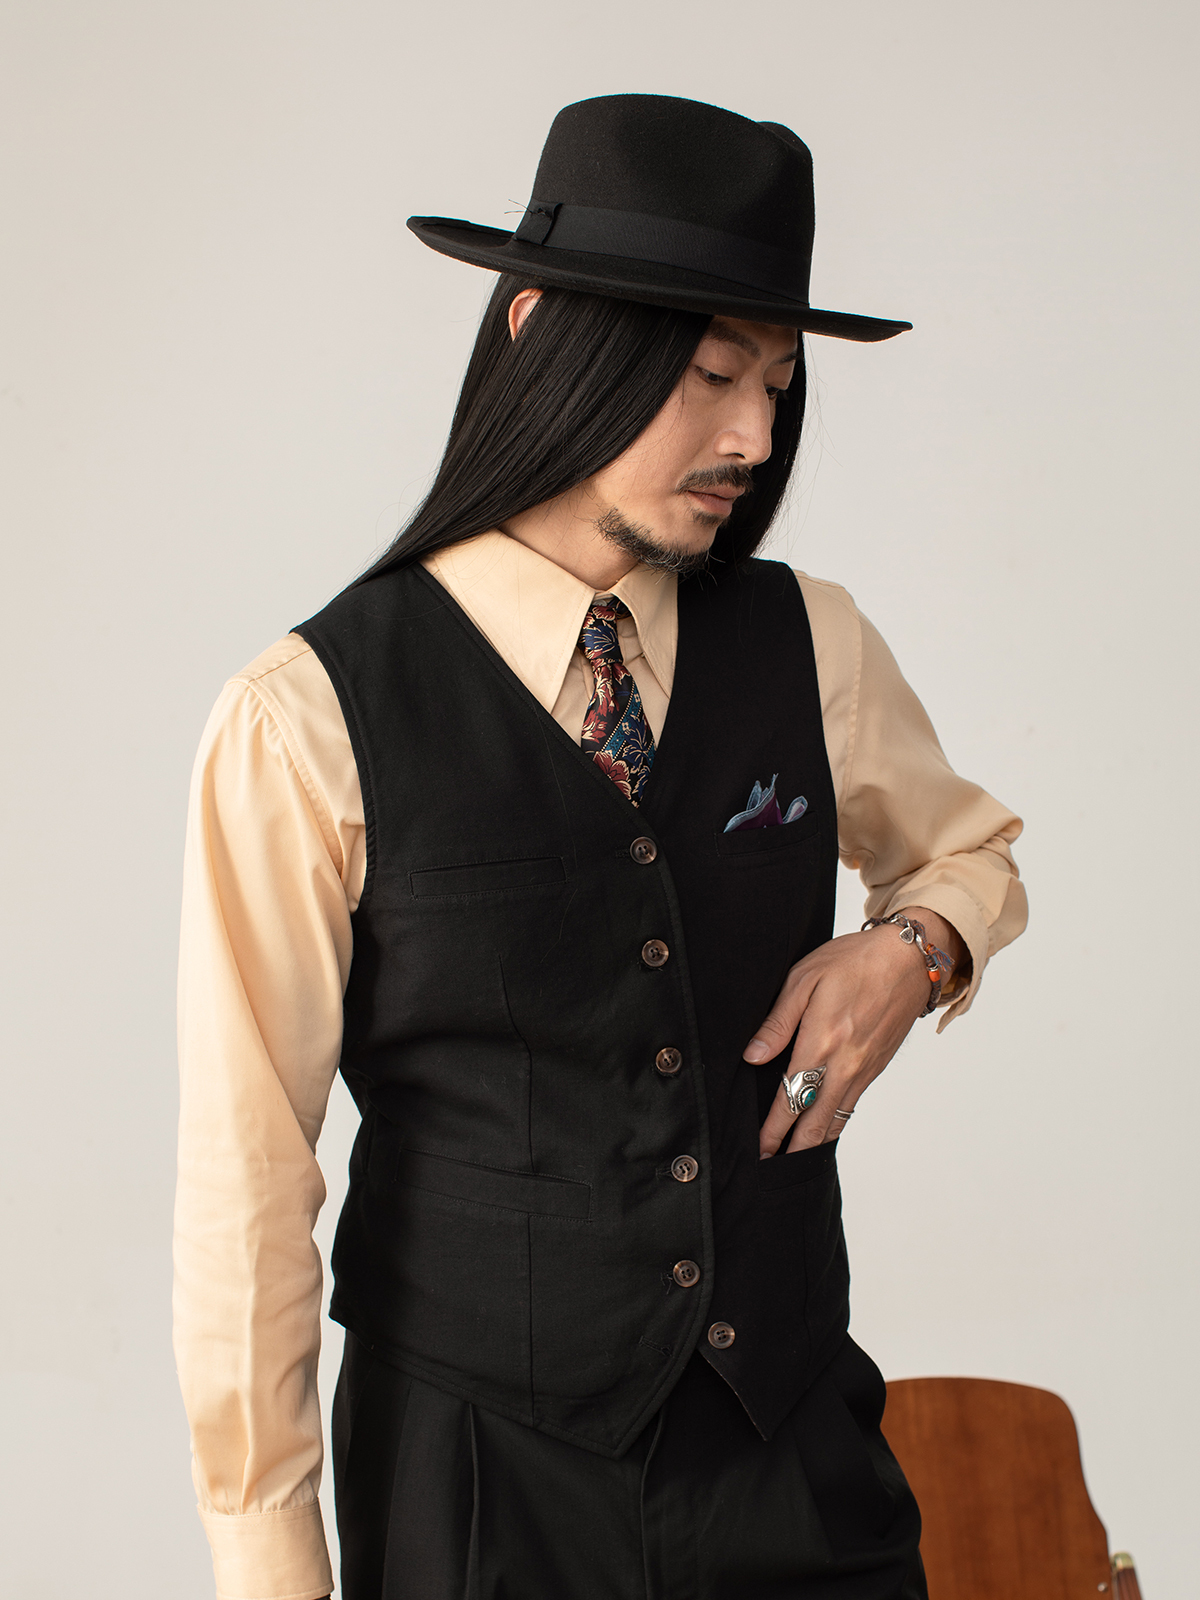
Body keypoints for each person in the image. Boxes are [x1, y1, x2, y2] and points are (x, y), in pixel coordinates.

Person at [174, 94, 1027, 1600]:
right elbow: (249, 1183)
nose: (755, 437)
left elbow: (972, 854)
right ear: (538, 334)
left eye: (778, 381)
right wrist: (270, 1564)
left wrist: (916, 948)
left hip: (789, 1453)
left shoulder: (810, 641)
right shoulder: (305, 717)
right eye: (711, 375)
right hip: (476, 1489)